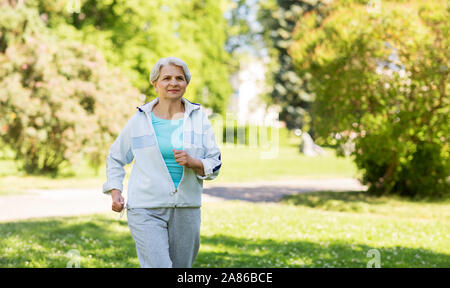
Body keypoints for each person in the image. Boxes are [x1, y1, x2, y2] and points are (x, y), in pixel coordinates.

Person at [102, 56, 222, 268]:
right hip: (146, 207)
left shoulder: (198, 118)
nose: (173, 83)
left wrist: (194, 162)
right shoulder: (140, 120)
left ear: (186, 83)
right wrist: (115, 190)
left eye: (179, 78)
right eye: (166, 78)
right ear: (155, 83)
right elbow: (115, 157)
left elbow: (215, 161)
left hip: (186, 207)